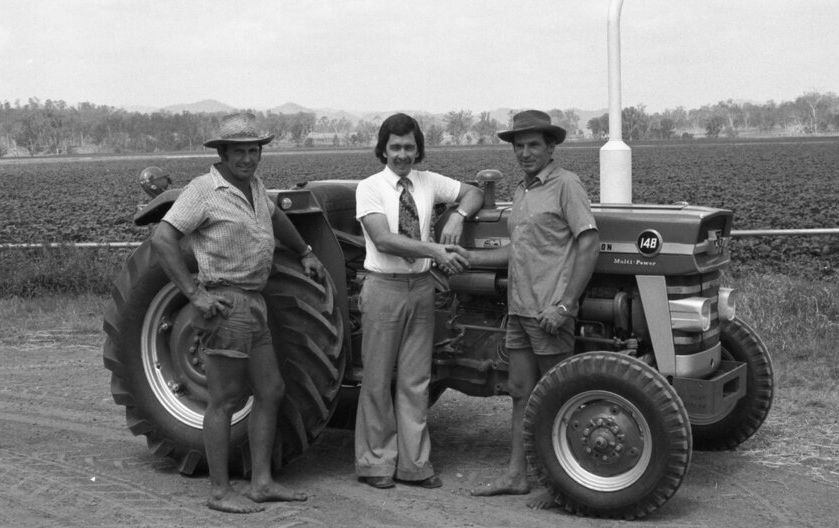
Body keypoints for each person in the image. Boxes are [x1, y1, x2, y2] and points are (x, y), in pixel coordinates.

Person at [151, 113, 326, 514]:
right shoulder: (203, 190)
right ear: (223, 153)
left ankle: (261, 482)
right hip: (225, 305)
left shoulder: (253, 186)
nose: (248, 158)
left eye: (254, 150)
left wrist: (306, 253)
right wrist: (194, 293)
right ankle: (219, 492)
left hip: (256, 303)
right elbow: (163, 239)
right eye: (240, 152)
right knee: (225, 399)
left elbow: (277, 217)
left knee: (271, 391)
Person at [469, 110, 600, 503]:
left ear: (550, 147)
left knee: (559, 396)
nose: (525, 152)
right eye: (519, 146)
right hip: (520, 310)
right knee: (521, 392)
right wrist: (465, 258)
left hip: (549, 312)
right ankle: (516, 475)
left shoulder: (566, 186)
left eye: (533, 145)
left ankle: (568, 483)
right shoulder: (524, 192)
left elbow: (588, 241)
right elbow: (517, 250)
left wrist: (566, 304)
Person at [355, 113, 484, 490]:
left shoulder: (428, 182)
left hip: (420, 288)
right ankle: (376, 464)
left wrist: (459, 214)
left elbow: (473, 191)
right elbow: (384, 239)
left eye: (409, 146)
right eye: (395, 147)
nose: (402, 154)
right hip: (384, 287)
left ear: (418, 148)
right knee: (378, 380)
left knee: (415, 381)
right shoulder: (370, 187)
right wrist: (436, 250)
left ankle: (414, 465)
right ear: (383, 149)